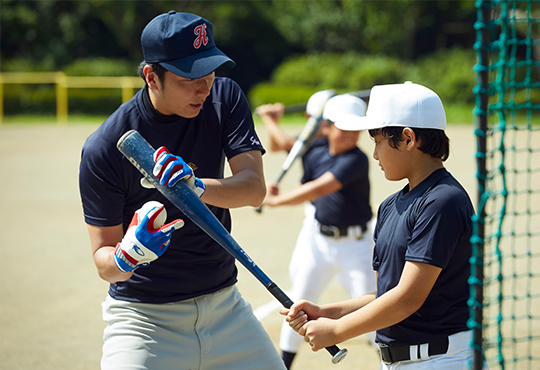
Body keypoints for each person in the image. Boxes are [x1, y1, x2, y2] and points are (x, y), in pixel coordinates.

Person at [79, 11, 286, 370]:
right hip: (144, 320)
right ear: (151, 77)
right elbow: (104, 262)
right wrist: (127, 256)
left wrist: (196, 186)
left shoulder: (224, 98)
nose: (204, 87)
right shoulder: (105, 147)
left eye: (210, 71)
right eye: (190, 77)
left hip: (225, 309)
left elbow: (254, 189)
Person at [281, 82, 483, 369]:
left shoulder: (442, 201)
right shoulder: (390, 205)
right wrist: (327, 312)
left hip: (442, 360)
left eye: (377, 141)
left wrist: (337, 332)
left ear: (408, 138)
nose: (374, 154)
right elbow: (385, 295)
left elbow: (407, 299)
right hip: (397, 361)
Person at [262, 94, 377, 369]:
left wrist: (273, 200)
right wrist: (270, 121)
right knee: (297, 307)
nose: (351, 134)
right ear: (324, 126)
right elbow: (281, 145)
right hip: (318, 243)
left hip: (358, 246)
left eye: (356, 128)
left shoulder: (356, 159)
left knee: (374, 315)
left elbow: (319, 188)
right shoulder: (314, 147)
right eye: (343, 127)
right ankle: (284, 364)